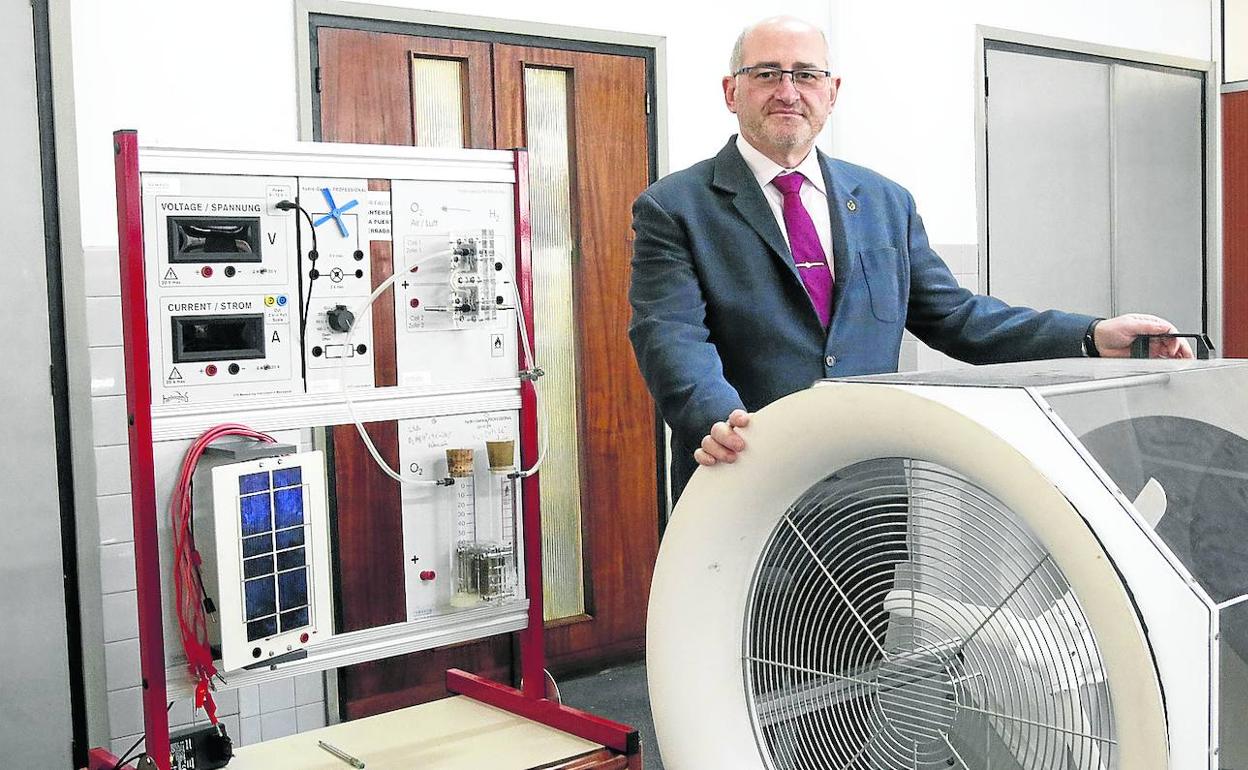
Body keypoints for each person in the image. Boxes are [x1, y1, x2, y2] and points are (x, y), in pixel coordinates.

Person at [628, 15, 1193, 501]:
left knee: (867, 628)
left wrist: (1094, 334)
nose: (788, 90)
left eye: (806, 74)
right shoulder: (676, 207)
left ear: (832, 91)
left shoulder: (884, 202)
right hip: (743, 472)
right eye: (767, 74)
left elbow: (959, 320)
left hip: (868, 482)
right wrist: (721, 422)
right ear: (732, 91)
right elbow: (672, 335)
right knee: (743, 630)